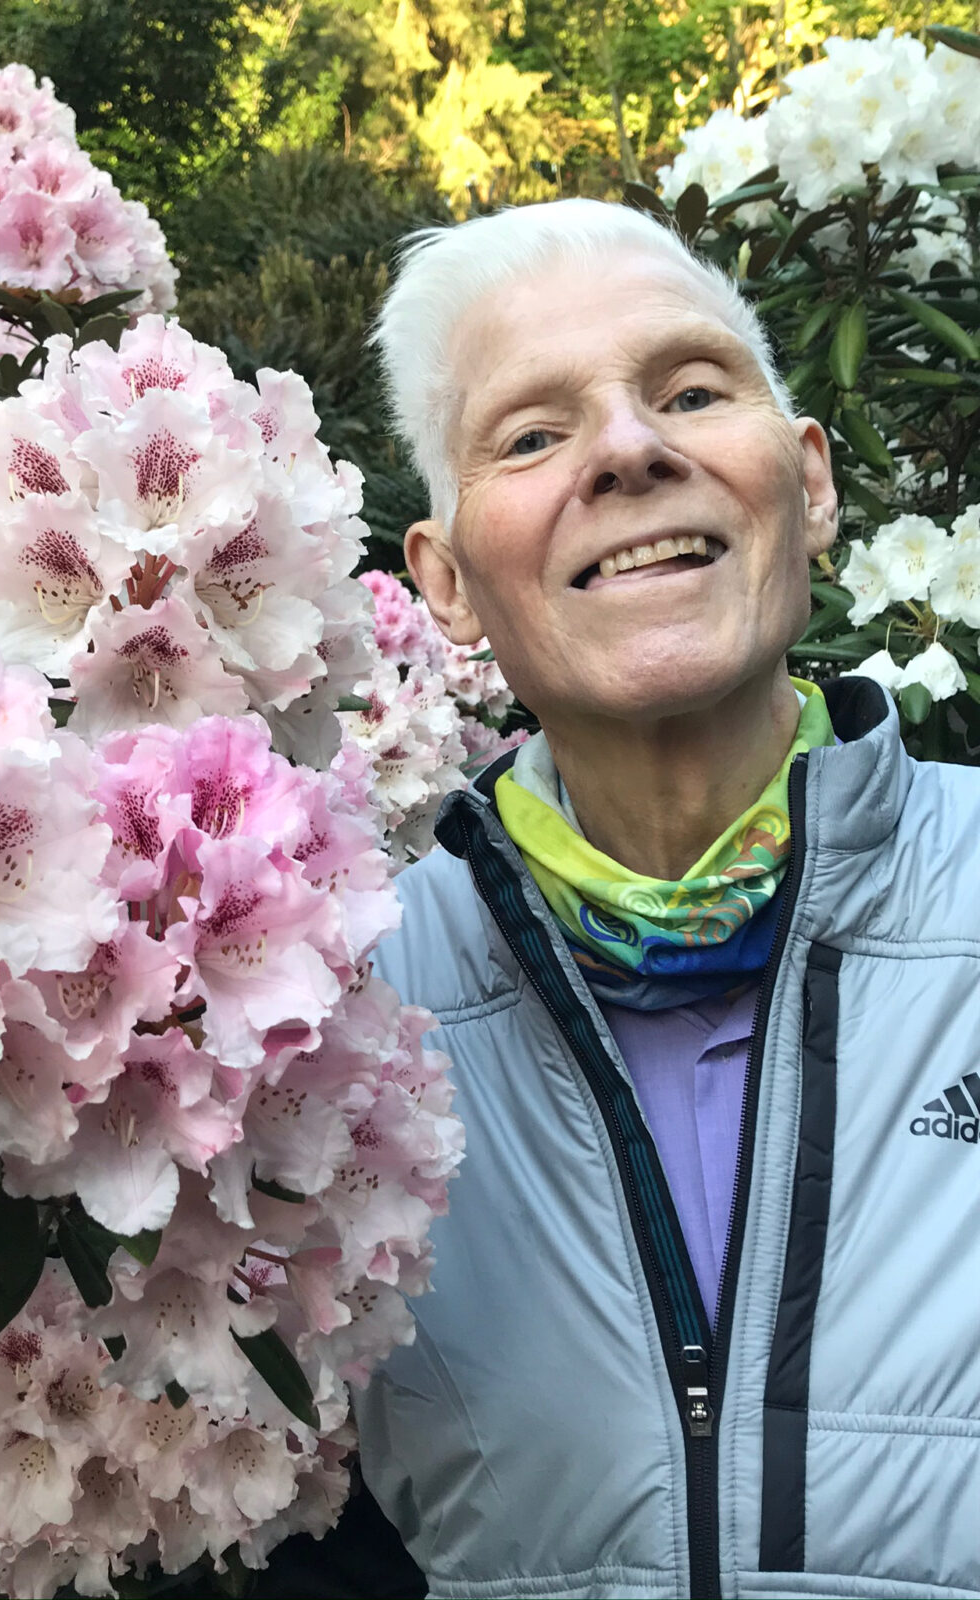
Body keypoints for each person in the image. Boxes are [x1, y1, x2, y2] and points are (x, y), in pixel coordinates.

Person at [342, 198, 980, 1600]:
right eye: (530, 435)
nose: (631, 451)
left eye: (692, 391)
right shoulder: (342, 1022)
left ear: (808, 482)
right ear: (444, 583)